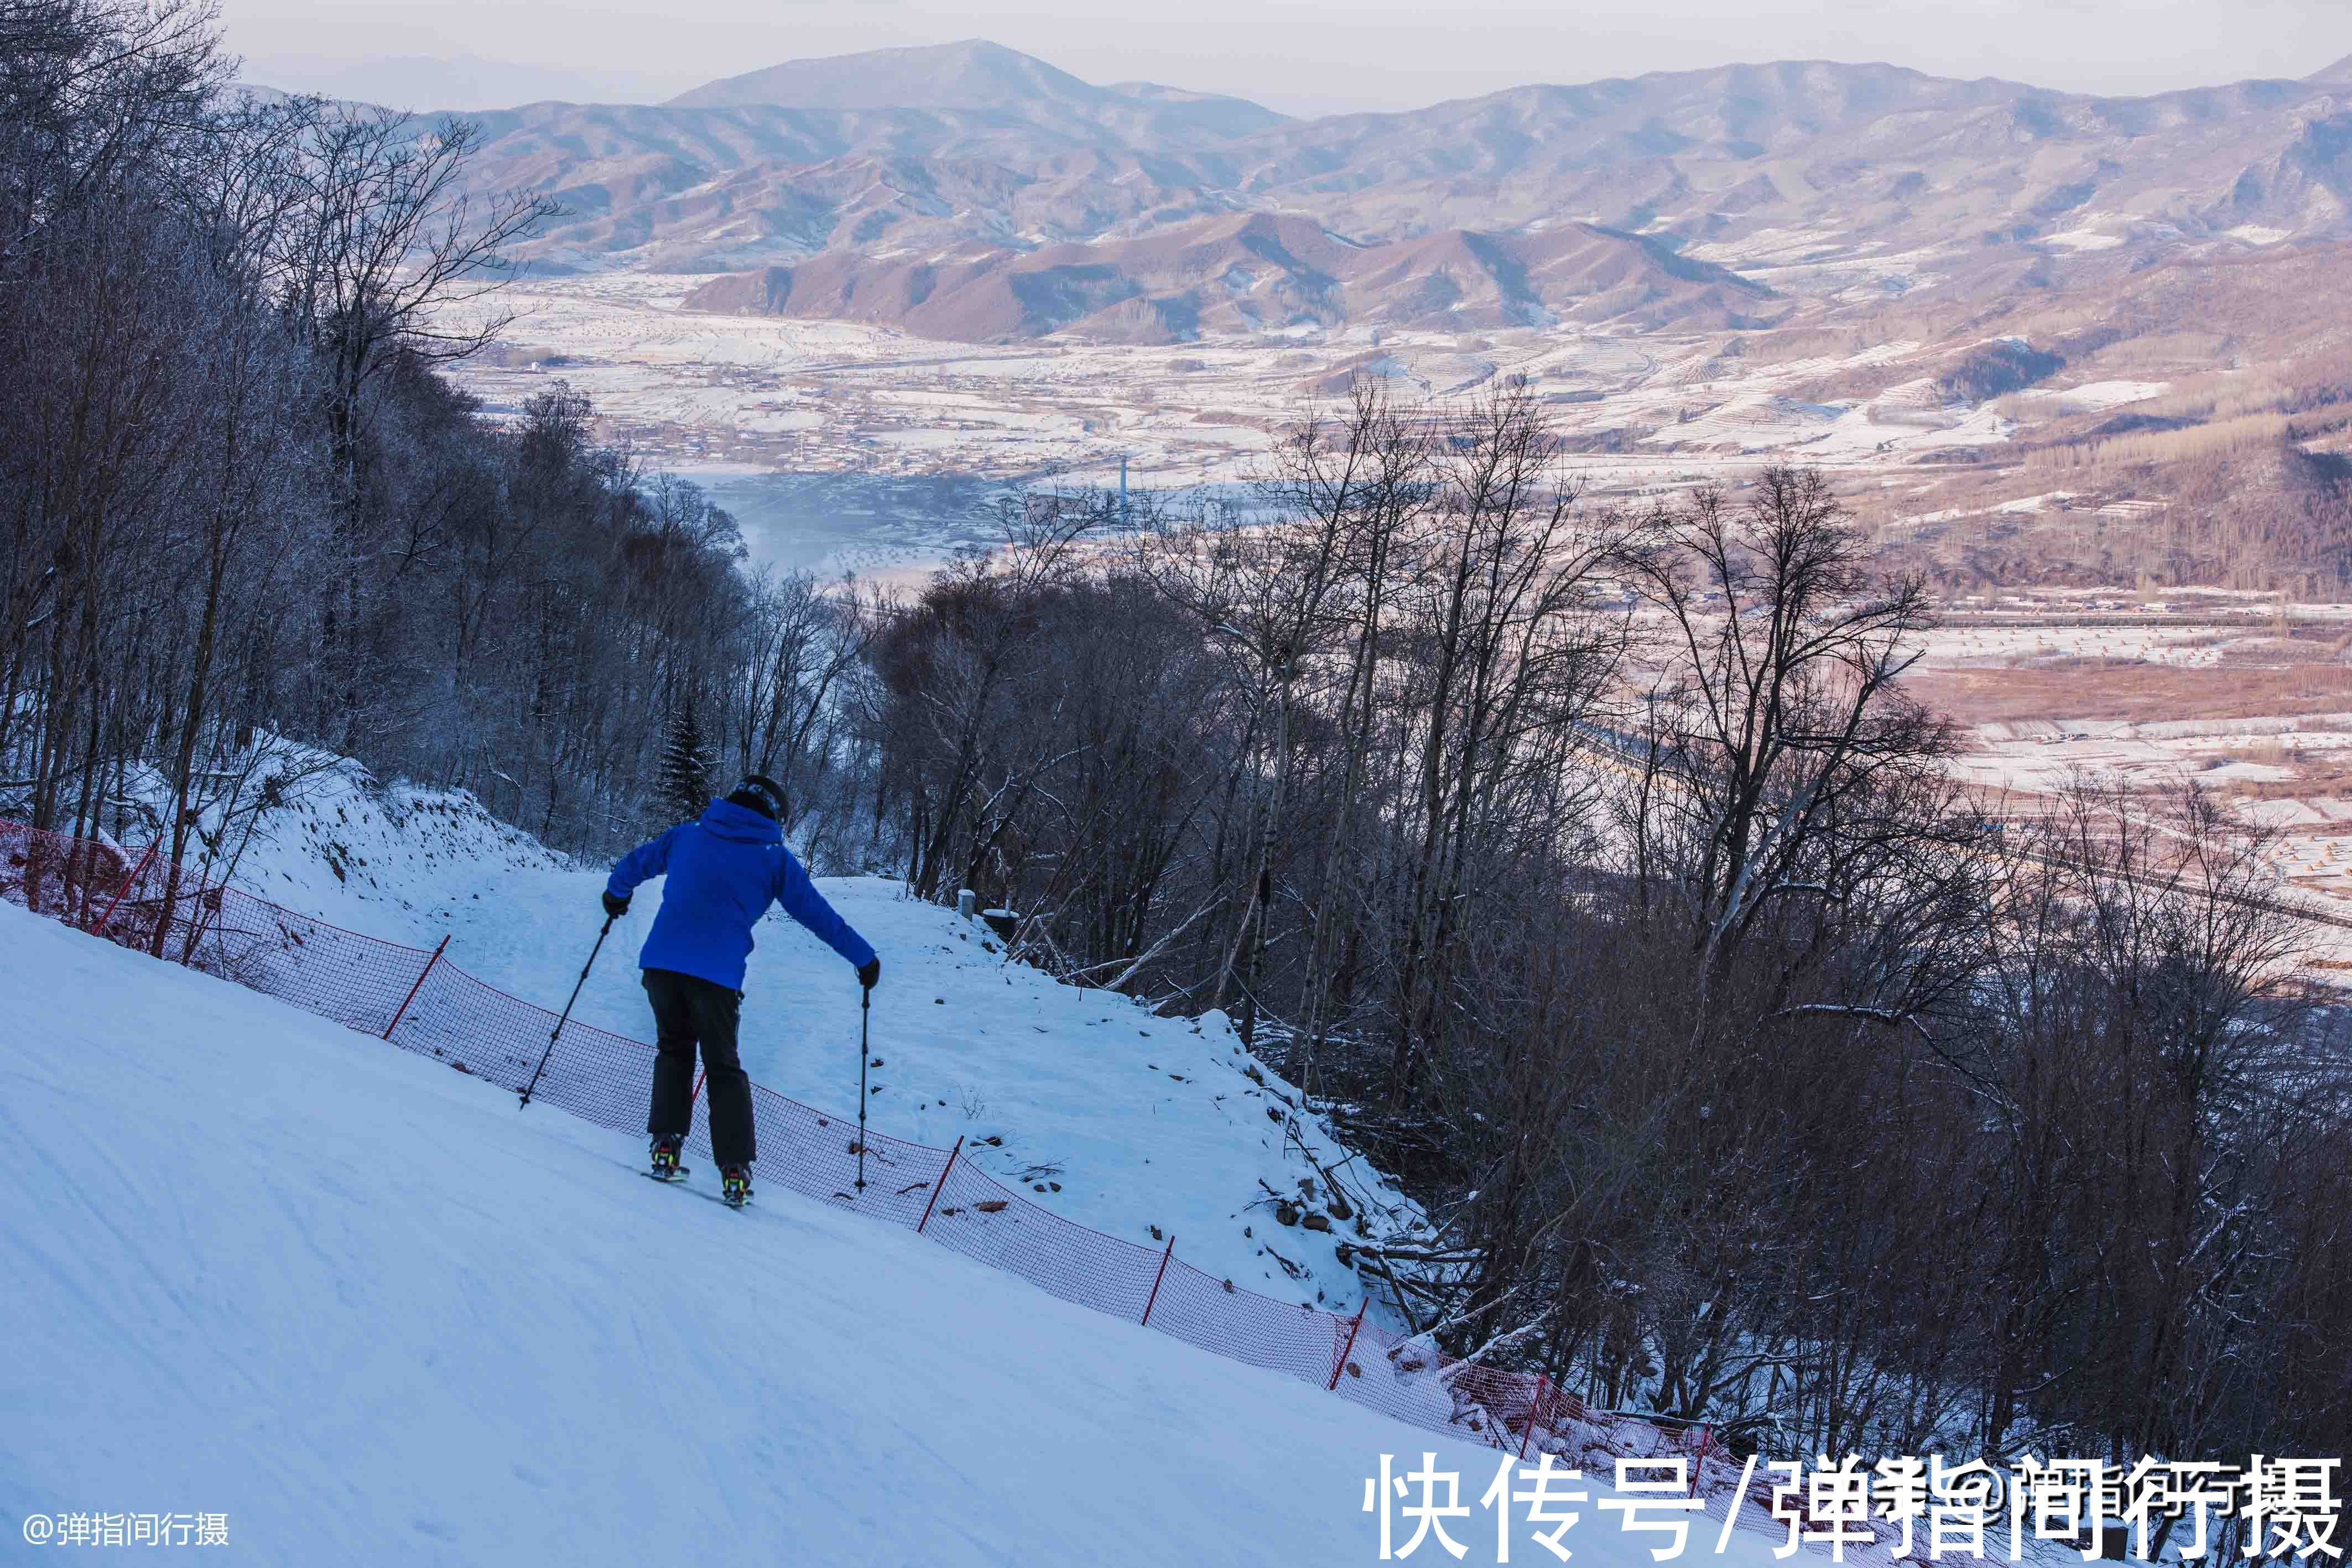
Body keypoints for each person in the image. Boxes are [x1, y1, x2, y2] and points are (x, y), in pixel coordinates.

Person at [602, 773, 879, 1206]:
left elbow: (635, 865)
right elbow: (818, 915)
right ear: (776, 815)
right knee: (723, 1067)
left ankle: (665, 1147)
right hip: (716, 979)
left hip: (661, 966)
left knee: (674, 1050)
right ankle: (734, 1170)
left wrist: (615, 896)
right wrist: (864, 958)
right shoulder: (773, 858)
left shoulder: (688, 835)